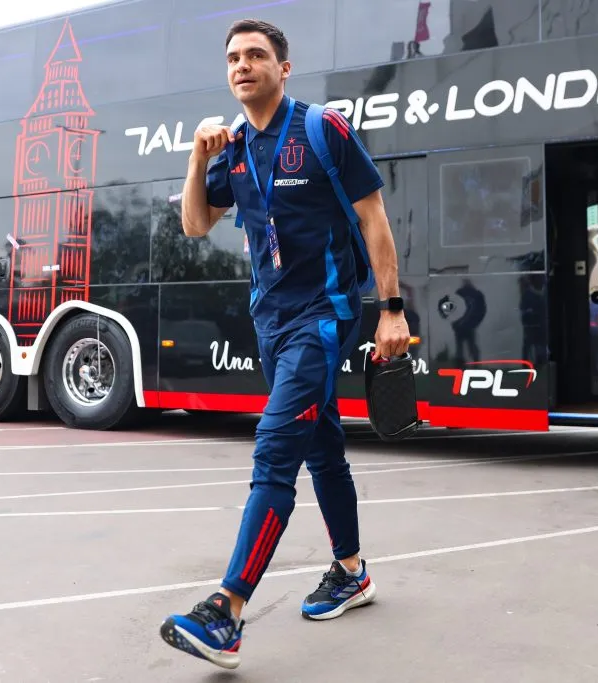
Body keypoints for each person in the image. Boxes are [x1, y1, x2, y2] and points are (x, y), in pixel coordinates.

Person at [159, 18, 411, 670]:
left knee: (275, 450)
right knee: (322, 446)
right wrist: (198, 158)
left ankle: (226, 611)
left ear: (284, 67)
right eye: (233, 58)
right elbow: (195, 223)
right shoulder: (235, 148)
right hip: (270, 322)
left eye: (255, 54)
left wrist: (391, 310)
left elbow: (373, 218)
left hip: (322, 318)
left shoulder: (322, 129)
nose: (242, 65)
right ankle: (352, 571)